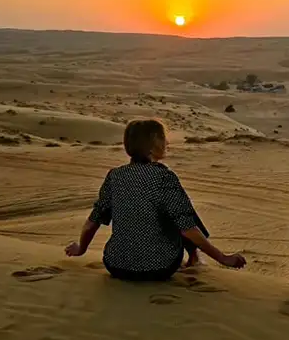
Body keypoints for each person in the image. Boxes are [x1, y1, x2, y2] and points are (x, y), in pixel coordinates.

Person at [65, 119, 246, 280]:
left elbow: (93, 221)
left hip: (116, 266)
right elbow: (187, 229)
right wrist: (223, 258)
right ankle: (193, 258)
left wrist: (81, 248)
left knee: (170, 208)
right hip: (159, 268)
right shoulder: (163, 177)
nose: (166, 142)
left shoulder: (114, 176)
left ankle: (193, 257)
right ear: (152, 145)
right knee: (182, 212)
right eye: (162, 138)